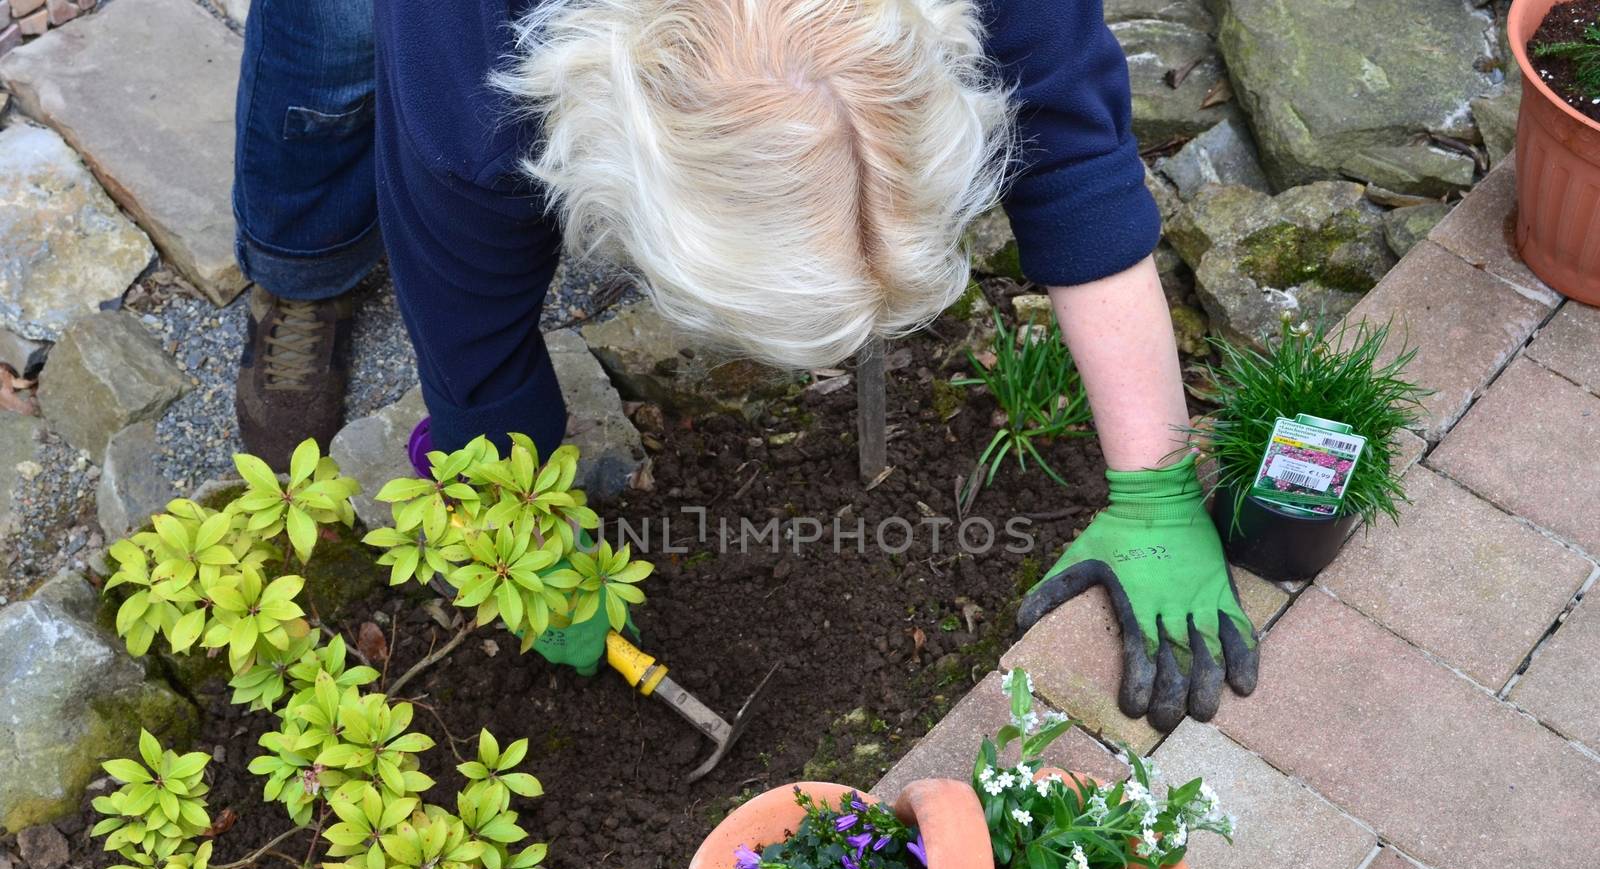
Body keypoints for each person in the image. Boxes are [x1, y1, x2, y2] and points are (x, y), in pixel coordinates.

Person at [229, 0, 1258, 728]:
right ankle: (299, 267)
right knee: (335, 38)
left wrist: (1157, 485)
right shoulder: (471, 85)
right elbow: (470, 337)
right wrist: (519, 532)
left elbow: (1072, 145)